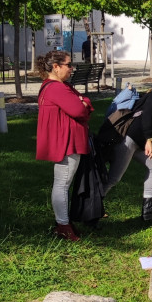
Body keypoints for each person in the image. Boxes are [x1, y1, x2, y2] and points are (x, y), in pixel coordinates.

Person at [103, 71, 152, 221]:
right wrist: (149, 140)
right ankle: (90, 206)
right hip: (129, 140)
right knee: (114, 178)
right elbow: (147, 118)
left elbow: (145, 122)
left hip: (138, 140)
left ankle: (148, 207)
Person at [36, 50, 94, 241]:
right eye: (68, 65)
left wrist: (83, 103)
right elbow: (79, 109)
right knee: (62, 183)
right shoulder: (56, 88)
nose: (72, 68)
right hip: (66, 141)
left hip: (66, 139)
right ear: (56, 66)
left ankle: (64, 222)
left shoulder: (58, 86)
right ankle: (63, 225)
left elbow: (86, 103)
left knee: (63, 183)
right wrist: (82, 103)